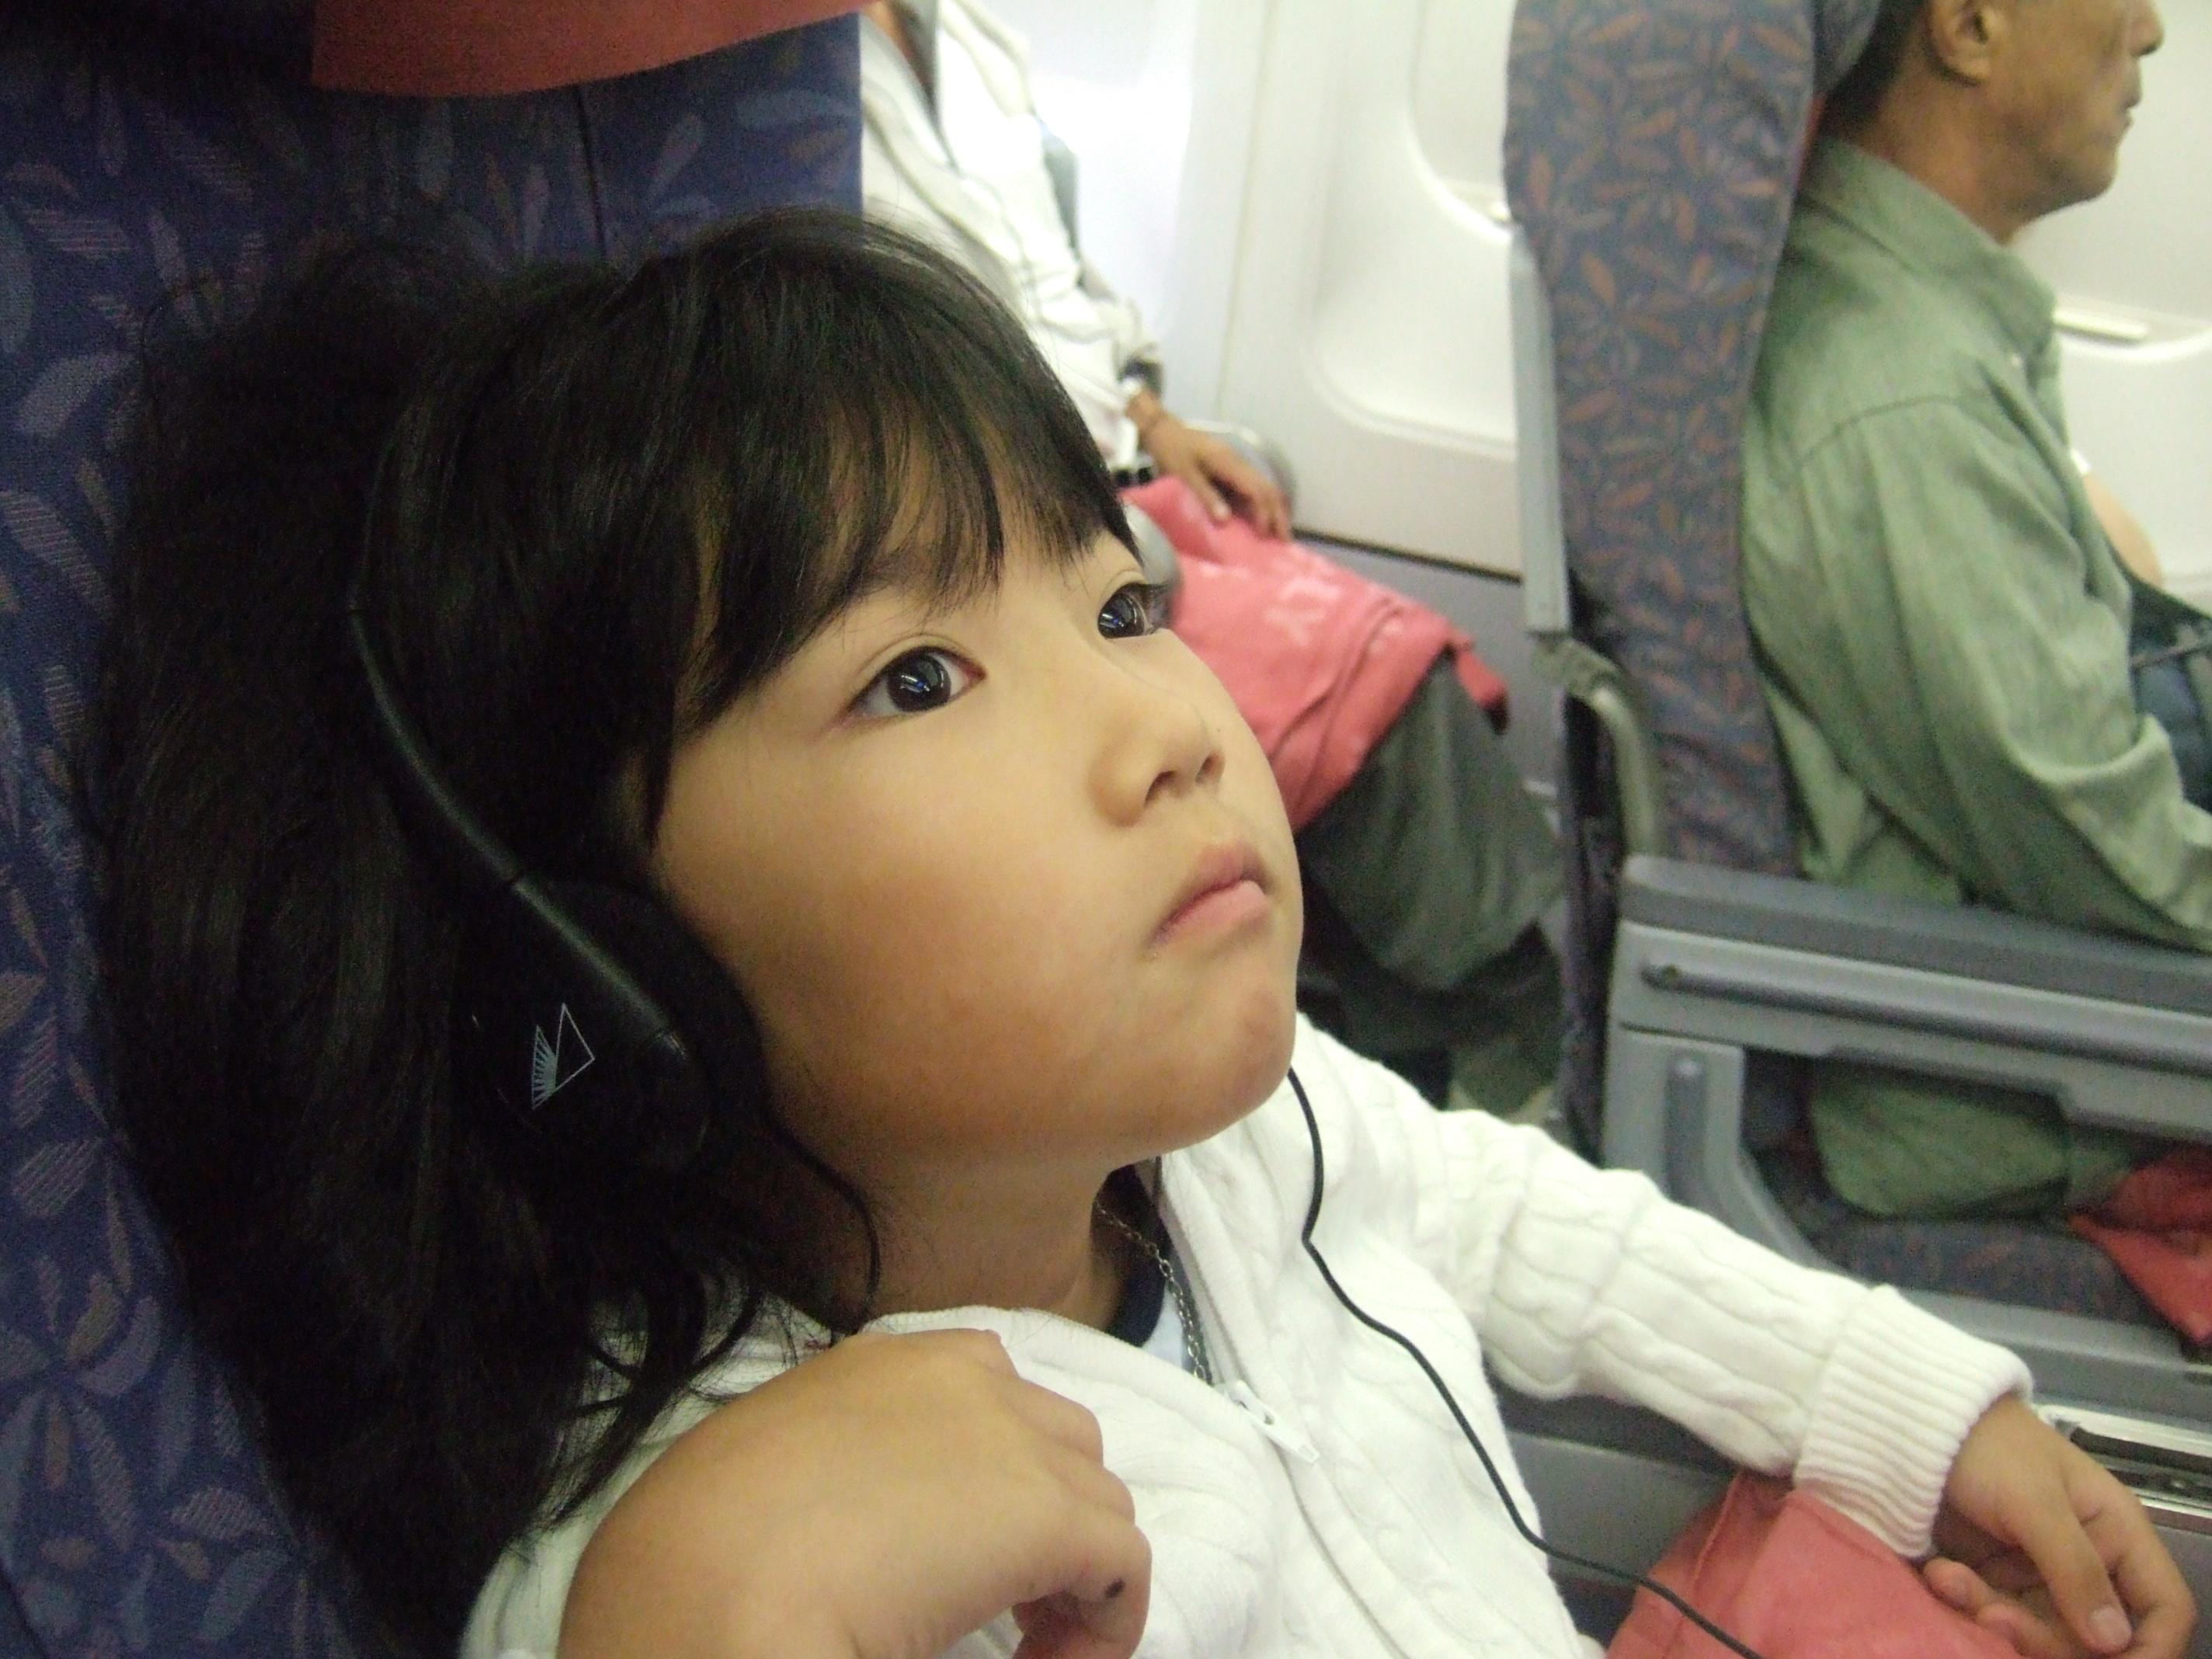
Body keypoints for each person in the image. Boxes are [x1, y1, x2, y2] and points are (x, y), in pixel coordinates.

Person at [92, 212, 2190, 1659]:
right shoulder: (732, 1529)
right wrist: (696, 1617)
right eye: (918, 677)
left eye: (1120, 605)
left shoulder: (1242, 1138)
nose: (1168, 728)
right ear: (604, 970)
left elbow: (1520, 1221)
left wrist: (1910, 1410)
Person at [856, 0, 1563, 1113]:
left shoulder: (969, 30)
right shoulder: (782, 85)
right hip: (1003, 518)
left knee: (1393, 651)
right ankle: (1490, 1048)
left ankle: (1434, 1052)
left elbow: (1054, 284)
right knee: (1378, 699)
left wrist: (1158, 418)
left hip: (1114, 470)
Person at [1738, 0, 2206, 1219]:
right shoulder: (1903, 400)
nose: (2152, 32)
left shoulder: (1921, 319)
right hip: (2028, 1081)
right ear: (1970, 28)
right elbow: (2095, 838)